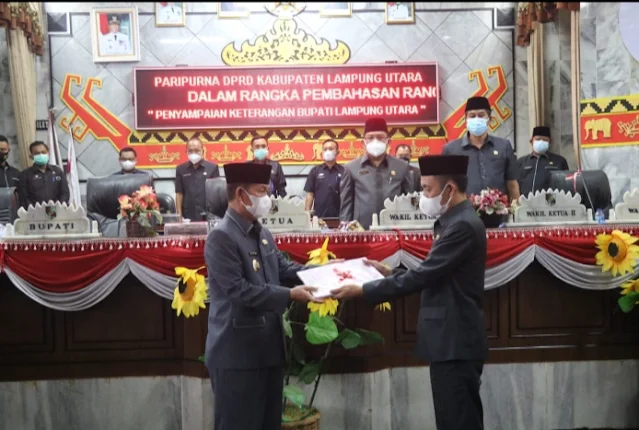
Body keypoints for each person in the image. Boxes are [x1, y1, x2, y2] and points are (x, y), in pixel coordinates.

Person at [331, 154, 488, 430]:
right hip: (449, 342)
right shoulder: (452, 221)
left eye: (427, 189)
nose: (422, 196)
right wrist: (388, 272)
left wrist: (363, 290)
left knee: (459, 421)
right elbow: (434, 274)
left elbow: (423, 276)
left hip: (456, 341)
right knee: (450, 419)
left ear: (449, 189)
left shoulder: (462, 225)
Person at [204, 162, 325, 430]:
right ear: (241, 195)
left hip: (268, 351)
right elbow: (239, 291)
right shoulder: (221, 237)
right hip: (237, 356)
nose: (267, 198)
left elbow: (284, 269)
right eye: (261, 191)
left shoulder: (262, 232)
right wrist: (290, 295)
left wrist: (326, 270)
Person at [442, 96, 520, 201]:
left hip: (498, 209)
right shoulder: (451, 149)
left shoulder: (503, 146)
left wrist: (516, 207)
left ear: (489, 119)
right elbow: (445, 186)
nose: (476, 119)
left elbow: (512, 183)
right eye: (472, 116)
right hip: (464, 209)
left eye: (481, 115)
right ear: (466, 120)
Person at [340, 118, 413, 229]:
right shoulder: (351, 168)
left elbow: (410, 201)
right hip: (361, 231)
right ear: (363, 143)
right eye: (370, 137)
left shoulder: (402, 166)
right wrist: (345, 229)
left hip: (395, 231)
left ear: (388, 141)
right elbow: (346, 204)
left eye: (380, 137)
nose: (375, 141)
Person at [517, 126, 569, 196]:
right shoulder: (521, 162)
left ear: (550, 142)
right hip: (526, 200)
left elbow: (566, 185)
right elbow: (515, 184)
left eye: (545, 140)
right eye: (538, 139)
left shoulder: (559, 161)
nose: (541, 142)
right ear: (531, 141)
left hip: (550, 199)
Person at [175, 138, 220, 221]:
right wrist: (179, 216)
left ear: (203, 151)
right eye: (190, 151)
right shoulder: (180, 169)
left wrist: (216, 216)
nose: (194, 153)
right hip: (188, 215)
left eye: (197, 150)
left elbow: (216, 194)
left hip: (208, 215)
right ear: (186, 152)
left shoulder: (212, 168)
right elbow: (179, 193)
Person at [19, 141, 69, 208]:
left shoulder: (58, 171)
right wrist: (35, 210)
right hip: (35, 212)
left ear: (48, 153)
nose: (41, 155)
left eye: (43, 152)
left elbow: (65, 193)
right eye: (37, 153)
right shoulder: (25, 175)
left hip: (57, 211)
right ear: (31, 156)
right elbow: (24, 198)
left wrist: (56, 209)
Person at [304, 139, 345, 218]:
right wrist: (307, 214)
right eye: (325, 149)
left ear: (337, 152)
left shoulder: (344, 171)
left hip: (340, 216)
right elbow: (310, 194)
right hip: (319, 217)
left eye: (330, 149)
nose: (327, 151)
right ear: (322, 152)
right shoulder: (315, 171)